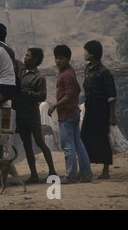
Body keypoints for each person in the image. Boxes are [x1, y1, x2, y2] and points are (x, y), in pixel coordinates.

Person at [48, 45, 92, 184]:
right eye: (56, 58)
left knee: (68, 146)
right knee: (78, 144)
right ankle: (86, 175)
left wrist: (55, 105)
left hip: (66, 114)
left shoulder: (66, 74)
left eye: (61, 58)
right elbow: (77, 89)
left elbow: (69, 94)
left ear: (68, 59)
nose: (58, 61)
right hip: (72, 111)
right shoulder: (69, 71)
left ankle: (71, 176)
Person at [12, 48, 57, 183]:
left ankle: (52, 171)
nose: (25, 58)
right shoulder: (20, 68)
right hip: (20, 113)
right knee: (26, 145)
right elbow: (12, 57)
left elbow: (42, 96)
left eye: (28, 56)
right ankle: (34, 175)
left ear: (35, 59)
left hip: (31, 114)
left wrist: (29, 93)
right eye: (25, 55)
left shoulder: (39, 78)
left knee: (40, 142)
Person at [81, 40, 117, 179]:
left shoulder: (104, 72)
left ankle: (106, 170)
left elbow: (111, 95)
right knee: (85, 137)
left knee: (102, 138)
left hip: (101, 109)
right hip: (89, 108)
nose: (84, 53)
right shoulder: (87, 69)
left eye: (86, 51)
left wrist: (112, 115)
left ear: (93, 54)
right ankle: (85, 168)